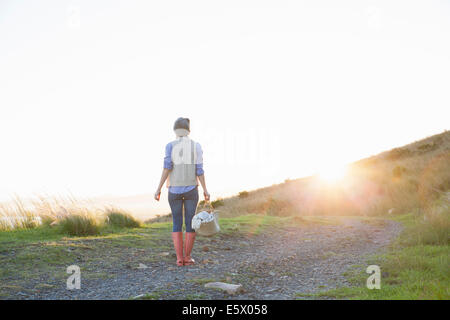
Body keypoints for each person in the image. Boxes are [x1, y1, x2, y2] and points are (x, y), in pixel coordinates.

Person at [154, 117, 210, 266]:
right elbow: (199, 170)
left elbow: (167, 168)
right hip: (192, 189)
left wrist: (158, 188)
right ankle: (188, 257)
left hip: (174, 190)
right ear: (188, 130)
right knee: (191, 222)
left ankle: (179, 259)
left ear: (175, 130)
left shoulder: (169, 146)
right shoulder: (196, 146)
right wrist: (205, 190)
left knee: (176, 222)